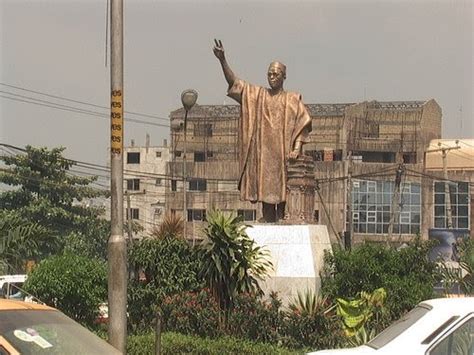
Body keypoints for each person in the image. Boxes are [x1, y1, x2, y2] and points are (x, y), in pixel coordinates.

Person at [213, 39, 312, 222]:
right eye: (269, 74)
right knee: (265, 189)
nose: (272, 77)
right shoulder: (258, 95)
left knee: (284, 190)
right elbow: (235, 83)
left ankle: (283, 215)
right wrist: (222, 60)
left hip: (284, 154)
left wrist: (296, 149)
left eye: (276, 74)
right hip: (264, 154)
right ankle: (267, 216)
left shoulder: (291, 99)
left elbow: (303, 123)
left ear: (284, 76)